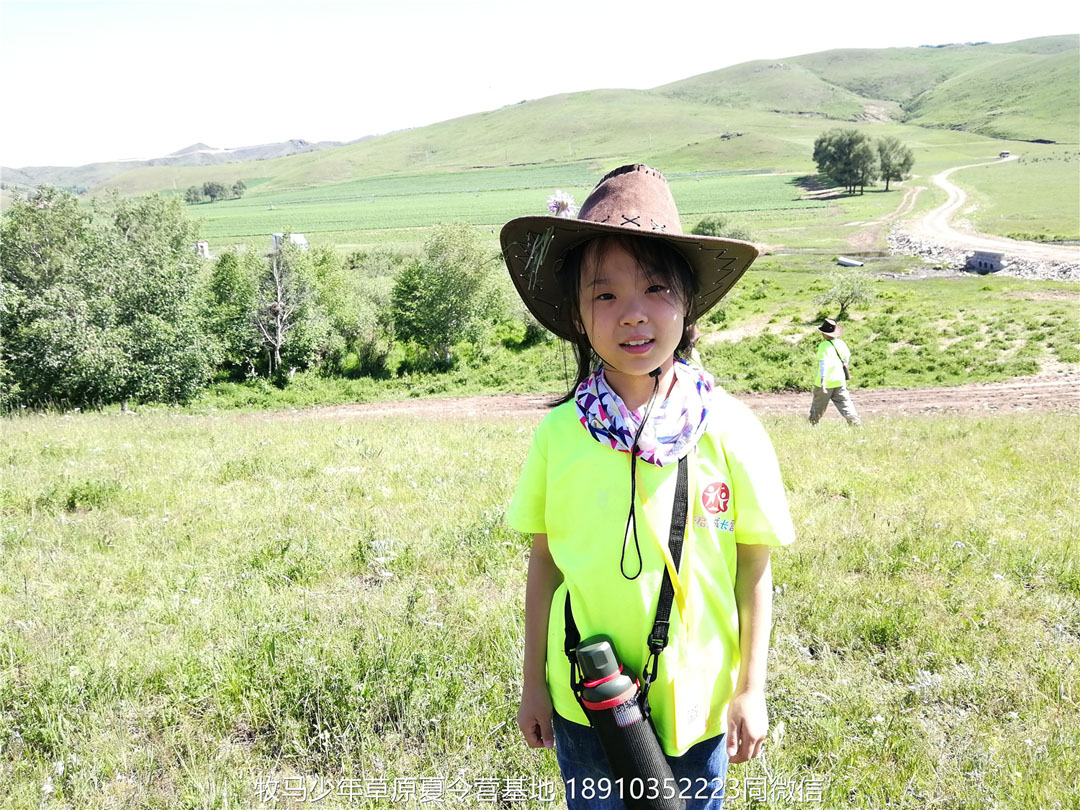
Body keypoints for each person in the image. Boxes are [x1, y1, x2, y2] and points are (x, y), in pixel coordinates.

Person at [500, 165, 795, 810]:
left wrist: (752, 688)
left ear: (687, 305)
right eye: (603, 295)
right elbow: (544, 565)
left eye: (655, 288)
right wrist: (532, 685)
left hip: (698, 697)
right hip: (589, 697)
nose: (632, 315)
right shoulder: (558, 434)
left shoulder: (730, 427)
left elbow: (753, 566)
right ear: (578, 316)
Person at [809, 318, 860, 426]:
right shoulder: (841, 343)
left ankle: (813, 425)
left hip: (825, 383)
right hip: (839, 380)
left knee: (818, 407)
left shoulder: (823, 346)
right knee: (845, 404)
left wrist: (823, 381)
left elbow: (823, 364)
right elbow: (847, 358)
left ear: (825, 334)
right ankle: (855, 423)